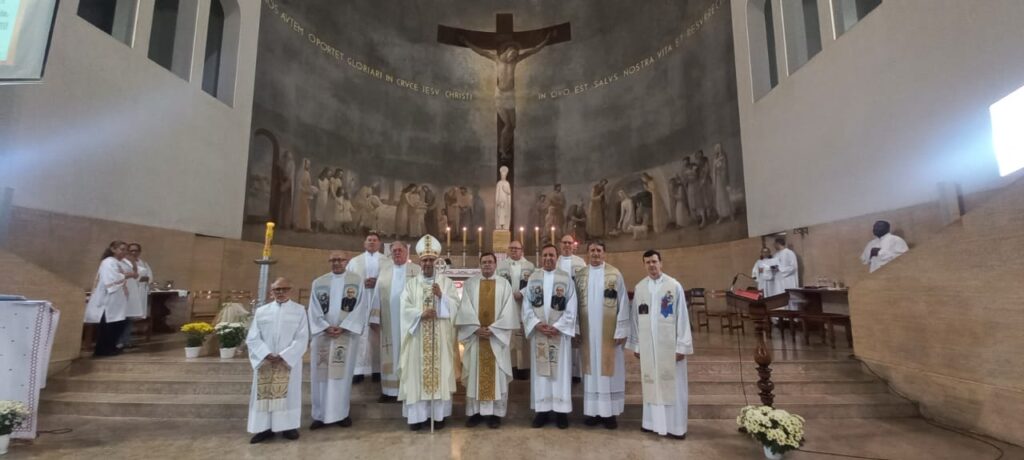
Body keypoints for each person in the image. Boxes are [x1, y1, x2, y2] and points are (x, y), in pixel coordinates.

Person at [627, 250, 692, 439]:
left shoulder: (673, 286)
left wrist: (682, 346)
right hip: (648, 347)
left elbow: (682, 318)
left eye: (654, 261)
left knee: (672, 385)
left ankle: (675, 427)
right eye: (647, 262)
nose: (651, 265)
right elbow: (635, 319)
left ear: (661, 263)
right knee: (651, 383)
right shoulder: (640, 288)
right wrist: (637, 345)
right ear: (644, 265)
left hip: (669, 348)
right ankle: (651, 423)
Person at [398, 234, 460, 431]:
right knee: (416, 374)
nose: (427, 263)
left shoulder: (446, 283)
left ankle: (437, 416)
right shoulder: (411, 284)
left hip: (439, 337)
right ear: (419, 261)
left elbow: (456, 307)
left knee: (439, 373)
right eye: (424, 260)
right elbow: (404, 308)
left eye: (431, 260)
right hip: (417, 338)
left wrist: (442, 298)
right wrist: (420, 314)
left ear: (437, 262)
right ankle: (417, 417)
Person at [455, 252, 520, 429]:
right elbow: (464, 309)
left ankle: (495, 414)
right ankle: (475, 413)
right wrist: (475, 329)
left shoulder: (504, 285)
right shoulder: (470, 284)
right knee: (475, 374)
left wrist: (494, 329)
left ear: (495, 264)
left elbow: (509, 312)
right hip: (477, 339)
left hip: (496, 339)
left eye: (490, 262)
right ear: (479, 264)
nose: (487, 265)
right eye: (484, 262)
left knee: (497, 375)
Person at [308, 252, 368, 429]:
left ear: (346, 262)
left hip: (345, 335)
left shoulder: (356, 281)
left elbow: (360, 307)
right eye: (333, 260)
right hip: (323, 336)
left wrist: (344, 326)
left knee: (341, 376)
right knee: (321, 376)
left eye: (339, 260)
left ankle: (341, 414)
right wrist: (325, 326)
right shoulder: (319, 283)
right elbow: (313, 308)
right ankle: (319, 415)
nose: (336, 263)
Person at [246, 277, 309, 444]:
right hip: (266, 361)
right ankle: (263, 428)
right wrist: (265, 353)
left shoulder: (299, 310)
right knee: (264, 395)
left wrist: (284, 355)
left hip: (286, 362)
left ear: (290, 290)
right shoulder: (262, 311)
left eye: (284, 289)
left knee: (288, 394)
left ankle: (288, 426)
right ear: (271, 292)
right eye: (277, 290)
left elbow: (302, 337)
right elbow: (252, 337)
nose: (280, 292)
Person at [575, 241, 630, 429]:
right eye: (592, 250)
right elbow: (573, 304)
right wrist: (575, 329)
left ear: (605, 253)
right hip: (588, 333)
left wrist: (621, 329)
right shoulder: (580, 275)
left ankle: (609, 414)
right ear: (587, 254)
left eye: (599, 250)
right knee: (591, 372)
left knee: (609, 372)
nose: (596, 254)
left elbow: (623, 302)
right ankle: (593, 412)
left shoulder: (615, 274)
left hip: (609, 334)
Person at [523, 244, 578, 429]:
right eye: (545, 255)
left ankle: (561, 412)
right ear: (541, 258)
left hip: (559, 335)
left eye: (551, 255)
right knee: (541, 373)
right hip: (540, 333)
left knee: (560, 372)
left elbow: (572, 306)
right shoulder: (533, 278)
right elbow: (527, 306)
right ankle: (542, 410)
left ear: (557, 257)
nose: (548, 258)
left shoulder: (566, 279)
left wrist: (558, 327)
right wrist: (537, 324)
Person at [371, 240, 421, 402]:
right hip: (389, 322)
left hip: (412, 324)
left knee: (410, 354)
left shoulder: (417, 270)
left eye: (400, 250)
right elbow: (377, 297)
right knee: (390, 355)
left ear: (407, 252)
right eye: (394, 251)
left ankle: (410, 390)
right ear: (390, 253)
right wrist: (374, 319)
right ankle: (389, 391)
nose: (397, 253)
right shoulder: (384, 272)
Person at [348, 232, 390, 383]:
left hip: (379, 303)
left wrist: (377, 282)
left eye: (375, 240)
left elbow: (390, 281)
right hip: (360, 303)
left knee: (378, 335)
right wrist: (361, 284)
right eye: (369, 240)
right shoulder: (354, 262)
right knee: (360, 336)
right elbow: (348, 282)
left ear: (379, 244)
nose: (372, 242)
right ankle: (358, 371)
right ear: (364, 243)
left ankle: (377, 371)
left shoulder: (387, 262)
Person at [84, 241, 137, 357]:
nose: (124, 252)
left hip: (118, 300)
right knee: (108, 326)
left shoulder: (119, 262)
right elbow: (112, 279)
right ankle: (102, 350)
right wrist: (128, 275)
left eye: (125, 250)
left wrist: (131, 271)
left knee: (117, 324)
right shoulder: (108, 262)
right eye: (121, 249)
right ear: (113, 249)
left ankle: (111, 347)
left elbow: (134, 273)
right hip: (109, 300)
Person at [499, 240, 534, 380]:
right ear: (508, 250)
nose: (514, 251)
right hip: (506, 307)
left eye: (517, 248)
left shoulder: (530, 266)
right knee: (509, 336)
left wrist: (523, 293)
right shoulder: (501, 266)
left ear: (522, 250)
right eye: (511, 248)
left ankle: (524, 367)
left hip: (523, 306)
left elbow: (533, 284)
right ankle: (511, 366)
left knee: (522, 336)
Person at [119, 242, 152, 349]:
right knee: (123, 317)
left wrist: (143, 278)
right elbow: (128, 275)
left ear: (139, 252)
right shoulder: (124, 262)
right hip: (127, 291)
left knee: (130, 317)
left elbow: (149, 277)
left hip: (140, 291)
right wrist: (137, 277)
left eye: (136, 250)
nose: (133, 252)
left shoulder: (143, 263)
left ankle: (127, 340)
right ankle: (120, 341)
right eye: (131, 250)